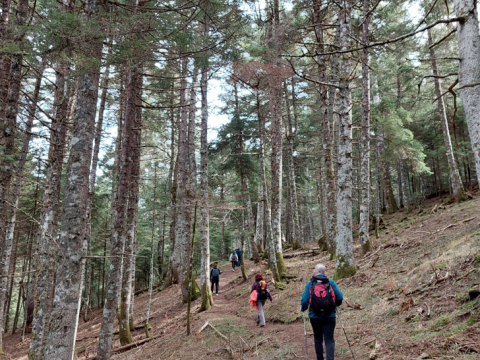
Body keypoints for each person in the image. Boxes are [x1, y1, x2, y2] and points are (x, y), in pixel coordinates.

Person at [300, 264, 343, 360]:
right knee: (329, 340)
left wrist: (302, 308)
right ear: (325, 272)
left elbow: (304, 301)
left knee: (318, 339)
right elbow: (340, 297)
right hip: (330, 315)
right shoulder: (330, 282)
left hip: (314, 316)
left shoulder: (309, 284)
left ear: (314, 272)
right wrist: (335, 305)